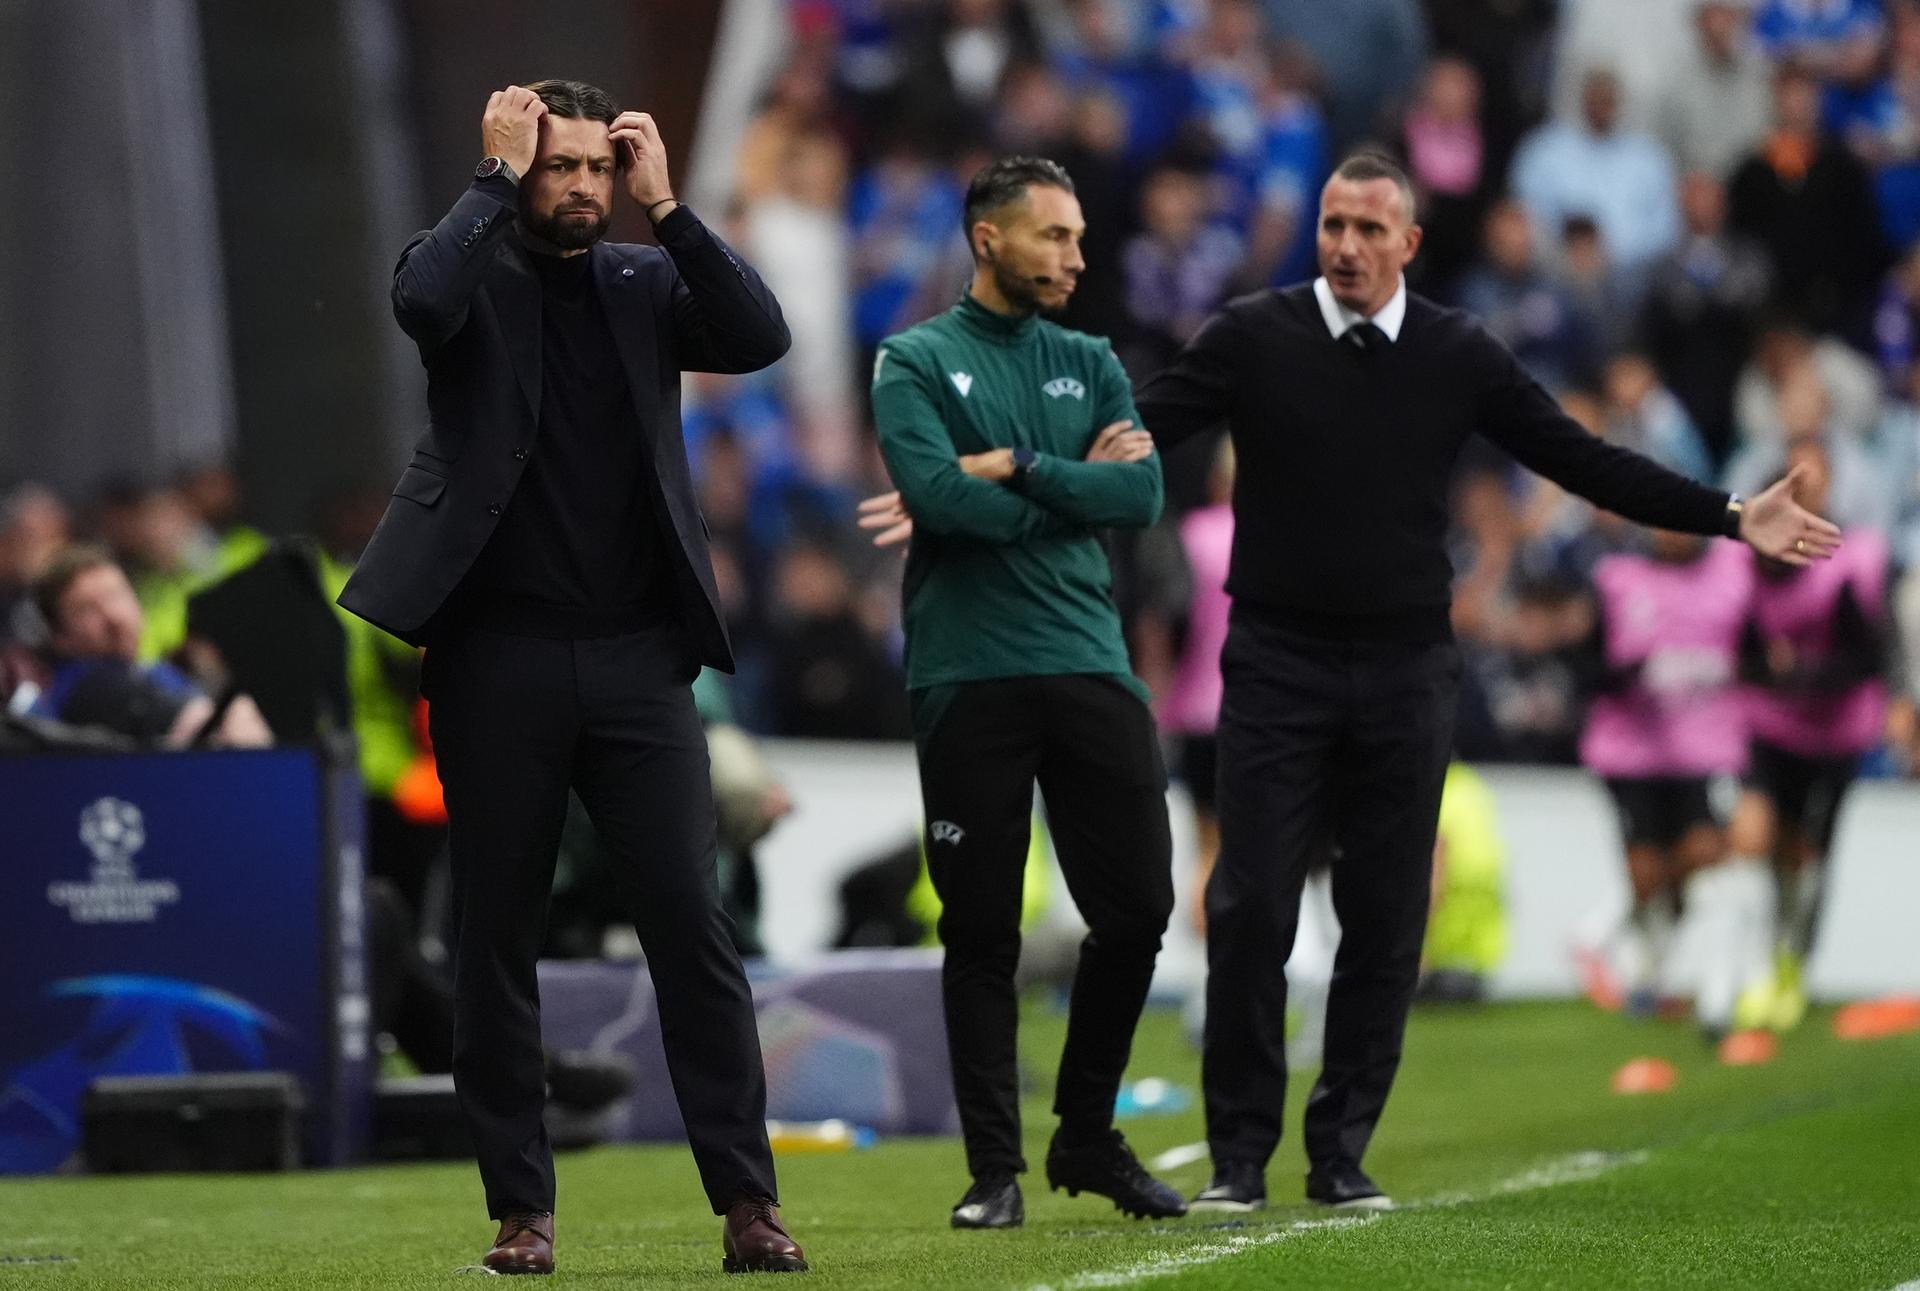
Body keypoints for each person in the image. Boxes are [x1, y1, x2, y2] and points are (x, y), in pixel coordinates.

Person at [1126, 151, 1840, 1213]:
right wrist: (999, 475)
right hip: (1276, 659)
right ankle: (1238, 1155)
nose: (1347, 247)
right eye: (1333, 225)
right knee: (1249, 903)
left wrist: (1731, 516)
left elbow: (1582, 460)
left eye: (1371, 229)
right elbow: (1133, 429)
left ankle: (1340, 1153)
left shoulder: (1458, 352)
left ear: (1410, 244)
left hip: (1408, 665)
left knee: (1384, 915)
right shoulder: (1251, 335)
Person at [335, 80, 805, 1277]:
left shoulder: (644, 280)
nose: (585, 186)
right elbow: (418, 301)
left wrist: (673, 208)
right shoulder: (467, 271)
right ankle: (522, 1211)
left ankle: (750, 1203)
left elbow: (760, 337)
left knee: (691, 922)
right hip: (497, 657)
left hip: (640, 657)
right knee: (495, 931)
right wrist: (493, 177)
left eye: (599, 167)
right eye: (563, 166)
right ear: (522, 168)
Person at [856, 155, 1186, 1230]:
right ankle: (993, 1170)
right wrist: (1062, 481)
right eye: (1054, 235)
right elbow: (939, 501)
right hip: (967, 672)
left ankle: (1084, 1133)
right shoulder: (913, 359)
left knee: (1137, 911)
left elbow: (1141, 493)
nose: (1076, 256)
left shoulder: (1089, 357)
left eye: (1079, 236)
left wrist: (1017, 466)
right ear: (988, 239)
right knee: (981, 930)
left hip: (1089, 660)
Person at [1575, 527, 1758, 1043]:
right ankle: (1641, 964)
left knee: (1705, 858)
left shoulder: (1732, 578)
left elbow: (1755, 652)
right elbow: (1584, 665)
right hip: (1630, 751)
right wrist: (1630, 673)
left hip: (1705, 748)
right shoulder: (1618, 579)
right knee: (1647, 873)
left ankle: (1661, 972)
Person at [27, 545, 272, 748]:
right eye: (87, 609)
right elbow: (212, 728)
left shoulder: (155, 670)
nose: (113, 617)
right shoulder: (88, 686)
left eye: (115, 595)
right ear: (61, 638)